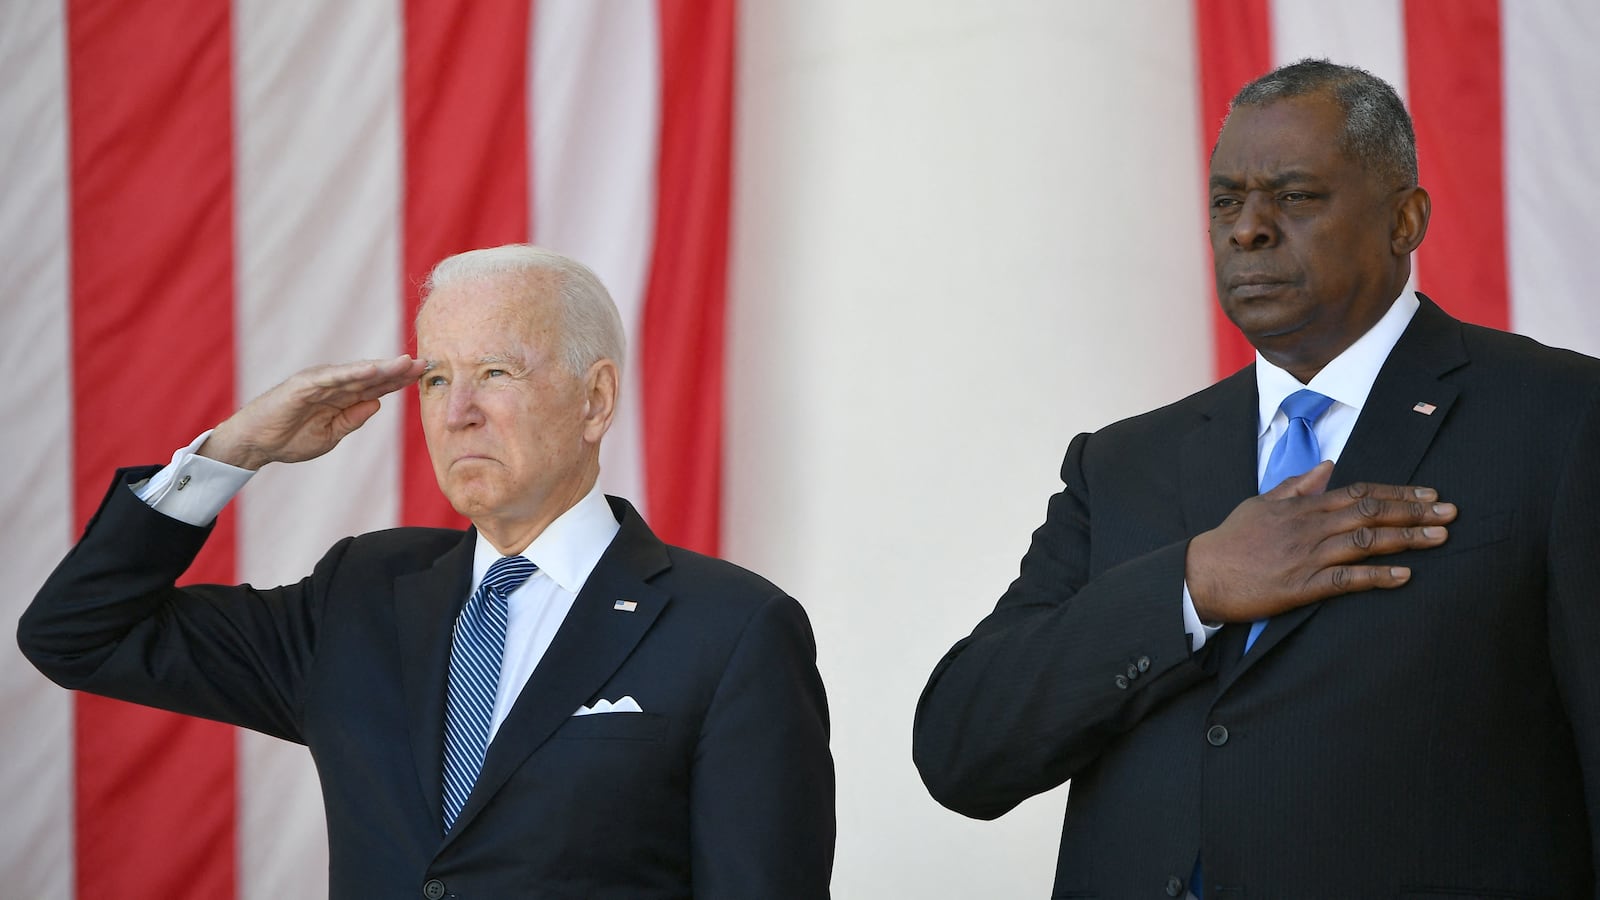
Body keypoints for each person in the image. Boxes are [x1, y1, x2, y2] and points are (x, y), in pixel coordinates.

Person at [912, 59, 1600, 898]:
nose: (1249, 229)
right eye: (1226, 201)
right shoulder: (1123, 463)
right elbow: (962, 749)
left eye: (1295, 196)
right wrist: (1193, 585)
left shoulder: (1563, 421)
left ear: (1405, 221)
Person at [19, 244, 835, 899]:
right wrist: (236, 450)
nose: (455, 412)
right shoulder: (362, 595)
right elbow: (77, 634)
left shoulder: (731, 629)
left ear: (595, 400)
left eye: (495, 373)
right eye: (437, 377)